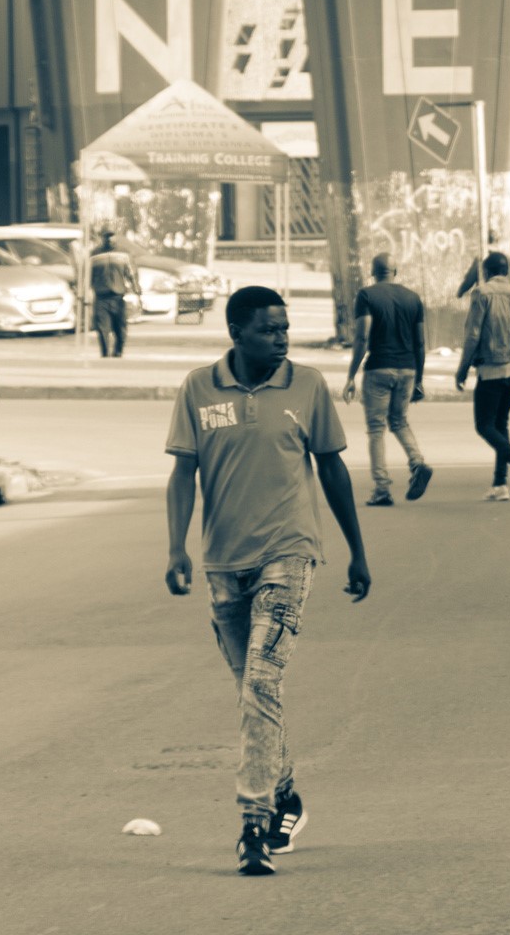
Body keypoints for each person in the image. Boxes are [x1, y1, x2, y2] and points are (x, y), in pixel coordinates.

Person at [163, 285, 372, 876]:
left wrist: (357, 549)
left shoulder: (306, 386)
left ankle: (253, 825)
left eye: (285, 328)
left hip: (290, 552)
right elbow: (184, 472)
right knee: (253, 691)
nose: (282, 338)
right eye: (268, 329)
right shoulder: (198, 389)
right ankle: (285, 794)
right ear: (236, 332)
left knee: (262, 681)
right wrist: (176, 546)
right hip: (223, 564)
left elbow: (331, 467)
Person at [341, 253, 432, 506]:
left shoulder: (367, 295)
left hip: (379, 369)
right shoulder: (413, 298)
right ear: (396, 271)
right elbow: (421, 342)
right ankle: (417, 462)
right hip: (408, 369)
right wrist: (420, 379)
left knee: (376, 429)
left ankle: (382, 489)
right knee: (400, 422)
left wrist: (350, 376)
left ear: (373, 272)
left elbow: (362, 337)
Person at [455, 252, 510, 501]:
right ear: (506, 271)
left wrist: (462, 369)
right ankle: (499, 484)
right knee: (500, 423)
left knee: (484, 425)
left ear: (486, 271)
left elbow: (473, 334)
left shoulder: (482, 293)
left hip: (492, 367)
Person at [89, 228, 140, 358]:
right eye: (107, 236)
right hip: (101, 297)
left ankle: (118, 352)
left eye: (112, 236)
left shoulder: (124, 253)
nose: (109, 239)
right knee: (102, 328)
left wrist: (136, 288)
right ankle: (105, 354)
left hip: (118, 296)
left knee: (121, 329)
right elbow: (87, 276)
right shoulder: (94, 254)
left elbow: (131, 273)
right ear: (102, 238)